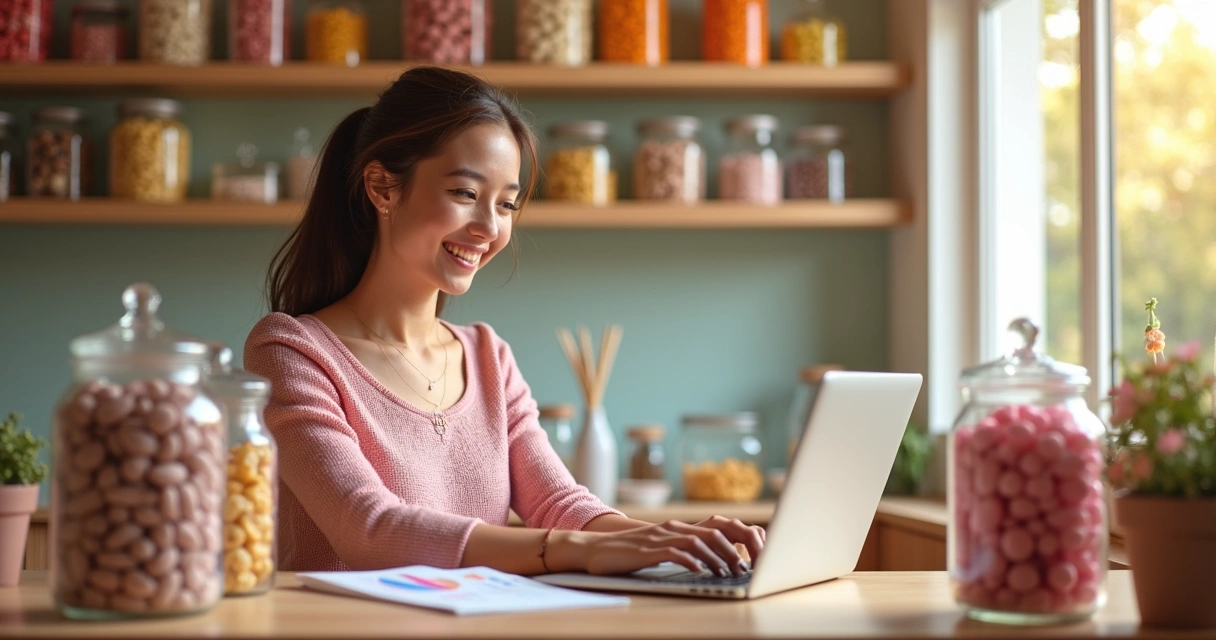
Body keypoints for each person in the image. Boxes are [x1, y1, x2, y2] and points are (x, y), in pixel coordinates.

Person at [244, 66, 764, 578]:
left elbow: (560, 504)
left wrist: (668, 540)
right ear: (382, 187)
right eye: (465, 194)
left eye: (507, 204)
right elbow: (369, 530)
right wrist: (575, 550)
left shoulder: (487, 357)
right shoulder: (291, 352)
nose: (489, 228)